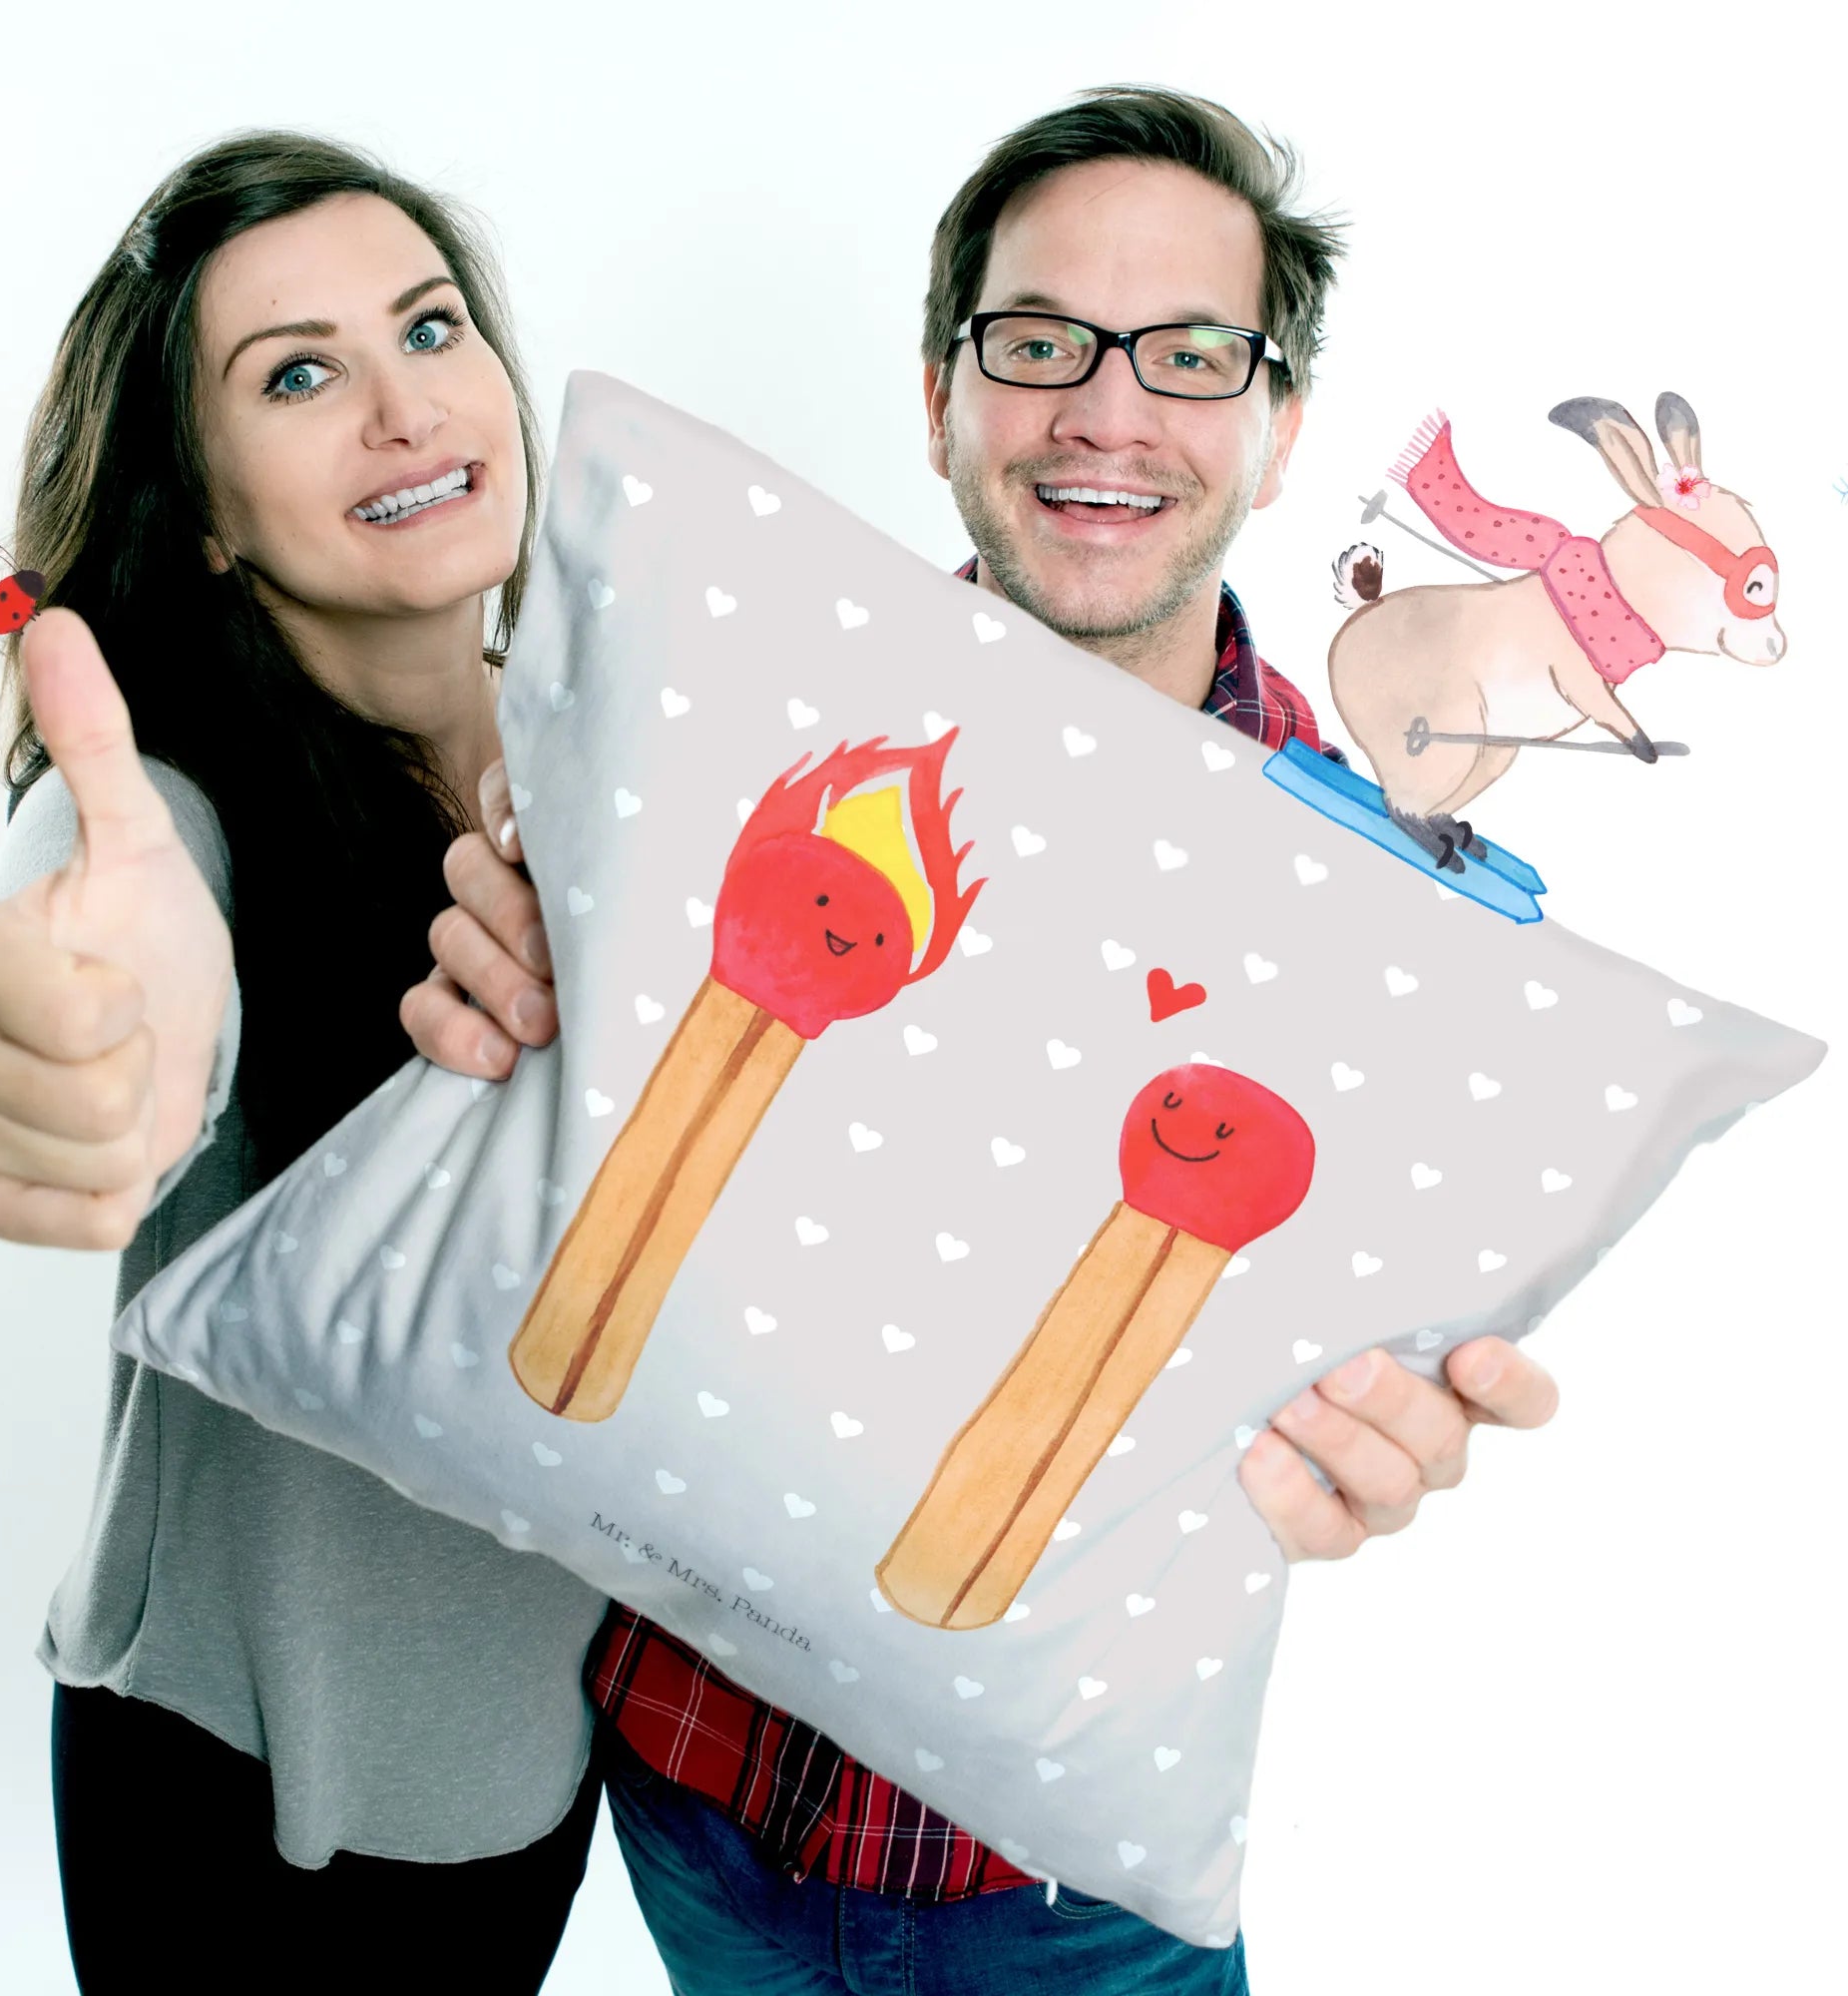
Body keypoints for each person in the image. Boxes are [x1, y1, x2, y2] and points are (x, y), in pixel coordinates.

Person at [403, 86, 1563, 1993]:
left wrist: (1382, 1430)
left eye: (1192, 354)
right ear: (941, 396)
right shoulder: (715, 737)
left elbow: (1345, 1370)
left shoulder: (1382, 915)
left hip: (1071, 1889)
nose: (1108, 412)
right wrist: (497, 1003)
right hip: (687, 1798)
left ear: (1278, 433)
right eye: (1040, 344)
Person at [0, 135, 613, 1990]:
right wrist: (79, 1036)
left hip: (535, 1763)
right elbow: (113, 933)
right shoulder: (171, 808)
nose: (403, 408)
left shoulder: (617, 767)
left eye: (429, 329)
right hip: (240, 1792)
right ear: (207, 512)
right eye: (298, 375)